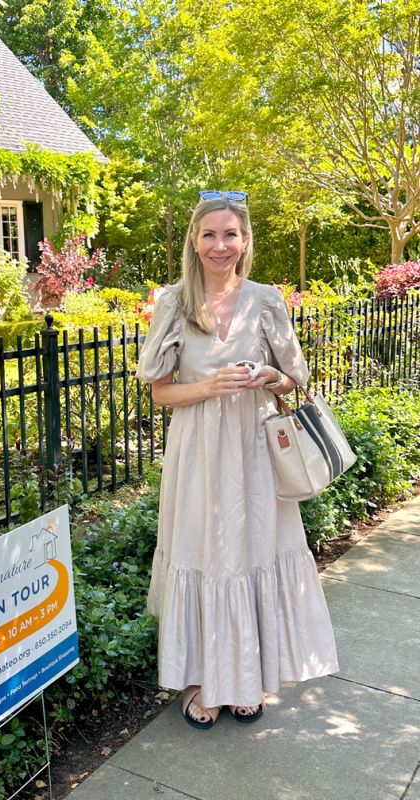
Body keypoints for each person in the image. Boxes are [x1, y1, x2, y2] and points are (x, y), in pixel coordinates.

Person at [135, 191, 338, 729]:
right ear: (194, 241)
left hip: (252, 451)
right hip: (198, 453)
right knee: (204, 553)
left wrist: (272, 377)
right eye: (209, 234)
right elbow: (159, 392)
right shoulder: (175, 303)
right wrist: (207, 386)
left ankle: (247, 677)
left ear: (245, 241)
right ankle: (203, 677)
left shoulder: (267, 299)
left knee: (251, 553)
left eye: (230, 234)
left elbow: (297, 376)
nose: (219, 245)